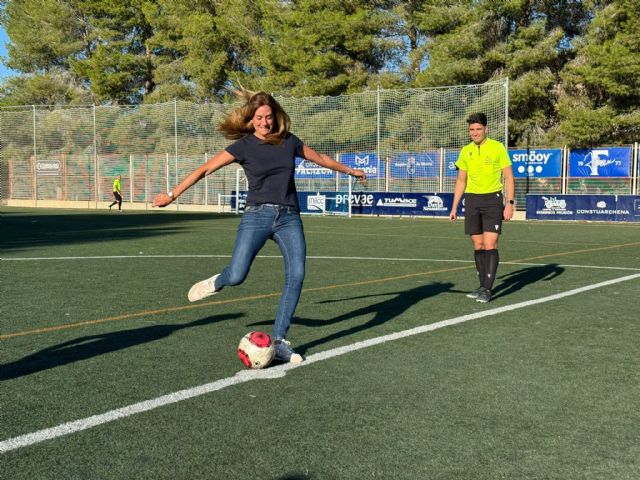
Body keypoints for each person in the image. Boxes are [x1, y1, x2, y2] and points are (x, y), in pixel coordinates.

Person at [152, 90, 366, 364]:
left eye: (268, 117)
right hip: (257, 216)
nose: (265, 122)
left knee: (297, 275)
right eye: (259, 118)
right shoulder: (243, 146)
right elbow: (204, 170)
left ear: (275, 117)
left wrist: (350, 171)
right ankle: (217, 282)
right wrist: (172, 195)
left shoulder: (289, 141)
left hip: (289, 217)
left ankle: (280, 341)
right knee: (237, 275)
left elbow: (320, 158)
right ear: (251, 119)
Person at [449, 113, 515, 303]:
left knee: (490, 244)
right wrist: (454, 207)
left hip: (492, 200)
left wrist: (509, 204)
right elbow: (461, 181)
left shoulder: (497, 148)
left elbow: (509, 177)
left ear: (486, 129)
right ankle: (481, 286)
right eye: (472, 129)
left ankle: (487, 289)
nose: (475, 132)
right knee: (478, 245)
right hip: (472, 201)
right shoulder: (466, 151)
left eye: (478, 129)